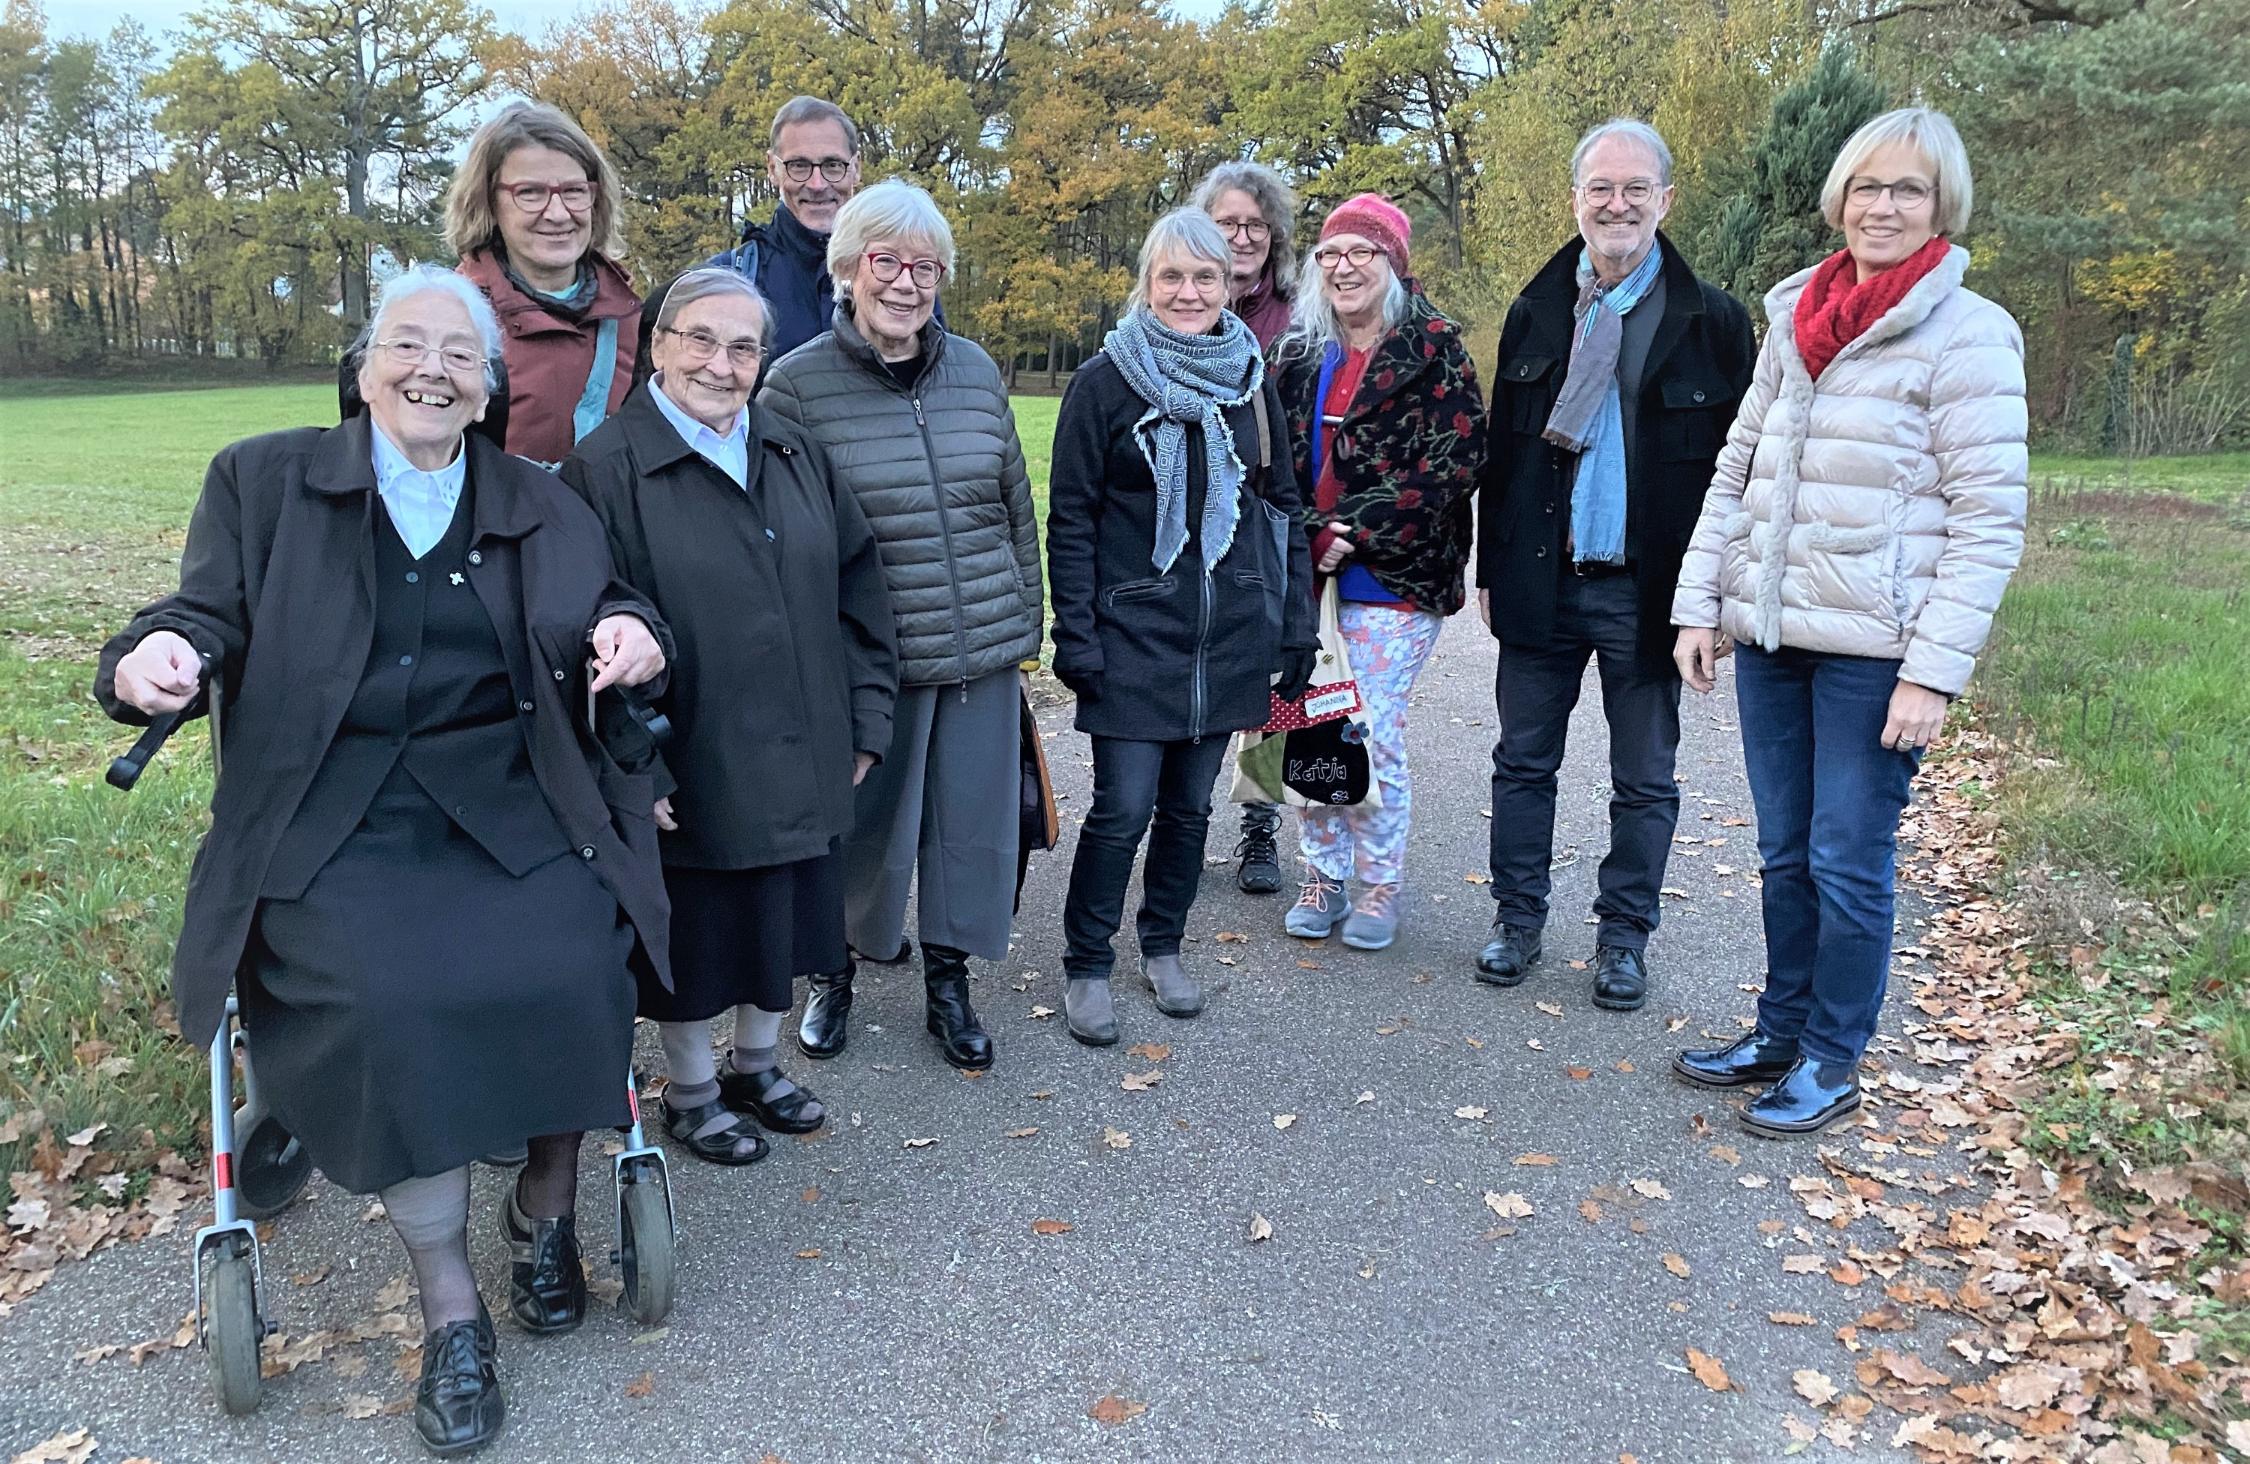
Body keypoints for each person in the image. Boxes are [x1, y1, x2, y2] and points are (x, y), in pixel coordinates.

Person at [96, 265, 670, 1457]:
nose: (432, 370)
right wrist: (150, 656)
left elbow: (615, 601)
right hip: (334, 814)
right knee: (389, 1000)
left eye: (460, 356)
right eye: (408, 347)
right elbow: (201, 614)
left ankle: (545, 1207)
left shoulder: (540, 500)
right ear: (362, 370)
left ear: (489, 385)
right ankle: (453, 1304)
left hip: (513, 802)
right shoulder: (264, 483)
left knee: (573, 963)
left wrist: (632, 634)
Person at [1671, 107, 2026, 1136]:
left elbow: (1988, 520)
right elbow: (1739, 466)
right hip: (1776, 641)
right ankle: (1780, 1032)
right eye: (1868, 186)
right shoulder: (1798, 317)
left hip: (1877, 654)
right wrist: (1704, 603)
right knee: (1784, 852)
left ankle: (1833, 1056)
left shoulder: (1968, 333)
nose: (1883, 205)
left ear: (1940, 206)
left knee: (1846, 857)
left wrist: (1934, 673)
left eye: (1907, 190)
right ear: (1840, 196)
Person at [561, 269, 897, 1163]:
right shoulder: (603, 468)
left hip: (808, 737)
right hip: (693, 756)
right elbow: (581, 627)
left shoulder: (791, 447)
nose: (722, 362)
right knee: (701, 934)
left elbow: (860, 591)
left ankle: (756, 1066)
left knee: (784, 917)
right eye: (700, 339)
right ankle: (693, 1089)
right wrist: (636, 767)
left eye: (744, 345)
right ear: (660, 347)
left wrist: (867, 722)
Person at [758, 180, 1043, 1071]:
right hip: (868, 665)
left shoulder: (974, 370)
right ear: (847, 268)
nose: (906, 282)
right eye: (886, 260)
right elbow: (777, 542)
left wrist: (1023, 620)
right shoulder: (795, 387)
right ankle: (834, 973)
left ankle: (948, 985)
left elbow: (1011, 506)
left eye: (925, 266)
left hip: (977, 656)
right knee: (858, 836)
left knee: (968, 833)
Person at [1473, 119, 1755, 1012]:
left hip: (1650, 592)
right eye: (1601, 188)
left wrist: (1712, 599)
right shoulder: (1538, 309)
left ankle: (1623, 939)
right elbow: (1505, 456)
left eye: (1636, 188)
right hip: (1543, 581)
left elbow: (1740, 470)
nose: (1617, 203)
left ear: (1665, 201)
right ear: (1577, 201)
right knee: (1523, 762)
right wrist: (1491, 568)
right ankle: (1517, 922)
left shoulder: (1710, 321)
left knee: (1645, 779)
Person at [1047, 208, 1318, 1046]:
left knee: (1192, 813)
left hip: (1228, 635)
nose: (1190, 291)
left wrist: (1295, 629)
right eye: (1173, 276)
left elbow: (1281, 506)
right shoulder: (1104, 382)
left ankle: (1163, 945)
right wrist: (1079, 637)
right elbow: (1071, 518)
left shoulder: (1250, 378)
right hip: (1133, 636)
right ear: (1148, 283)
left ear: (1229, 283)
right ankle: (1088, 961)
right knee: (1122, 810)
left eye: (1206, 277)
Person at [1273, 194, 1484, 953]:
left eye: (1362, 252)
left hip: (1395, 575)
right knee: (1312, 721)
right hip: (1308, 573)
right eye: (1331, 254)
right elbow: (1273, 464)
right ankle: (1322, 871)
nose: (1344, 267)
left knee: (1372, 729)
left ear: (1392, 264)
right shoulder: (1300, 353)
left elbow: (1454, 463)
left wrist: (1352, 530)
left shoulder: (1434, 350)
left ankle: (1379, 882)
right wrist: (1310, 533)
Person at [1192, 160, 1300, 897]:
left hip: (1270, 514)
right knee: (1193, 671)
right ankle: (1185, 819)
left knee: (1279, 683)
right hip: (1194, 521)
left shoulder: (1296, 319)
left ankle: (1261, 823)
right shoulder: (1178, 301)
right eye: (1228, 222)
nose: (1241, 236)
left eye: (1255, 225)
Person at [445, 101, 641, 468]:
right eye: (530, 193)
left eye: (573, 191)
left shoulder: (631, 316)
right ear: (488, 201)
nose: (557, 213)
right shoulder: (448, 318)